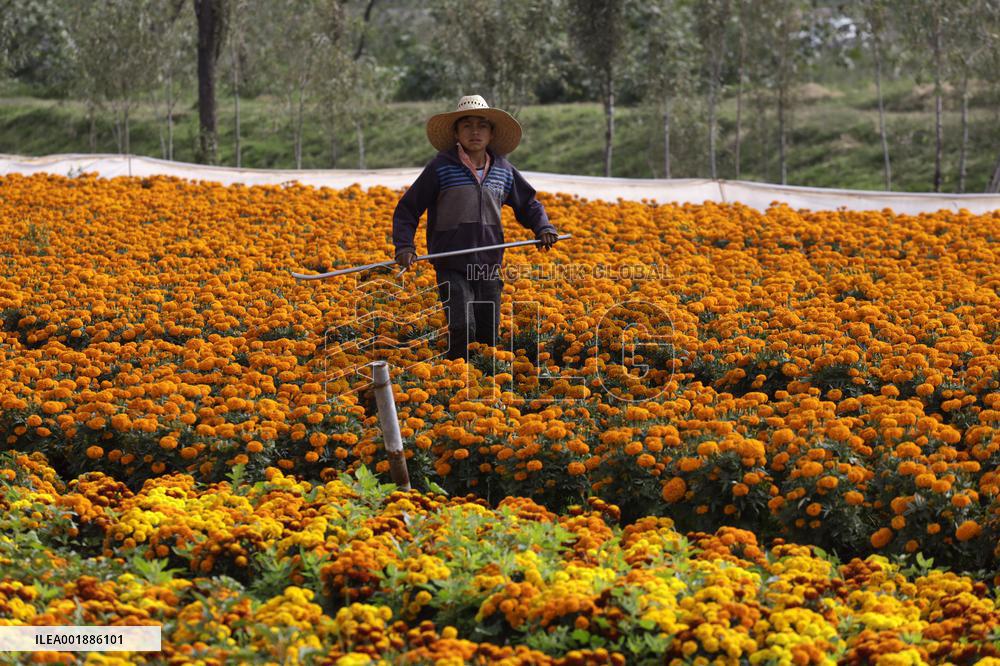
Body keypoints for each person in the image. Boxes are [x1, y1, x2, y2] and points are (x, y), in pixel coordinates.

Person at [393, 95, 560, 362]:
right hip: (451, 261)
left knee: (487, 331)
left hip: (488, 263)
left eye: (482, 125)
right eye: (467, 125)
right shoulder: (442, 168)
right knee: (462, 326)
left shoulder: (504, 170)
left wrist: (543, 227)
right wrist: (404, 245)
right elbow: (408, 208)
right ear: (457, 132)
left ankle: (484, 384)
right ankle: (456, 375)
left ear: (491, 133)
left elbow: (527, 203)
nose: (475, 131)